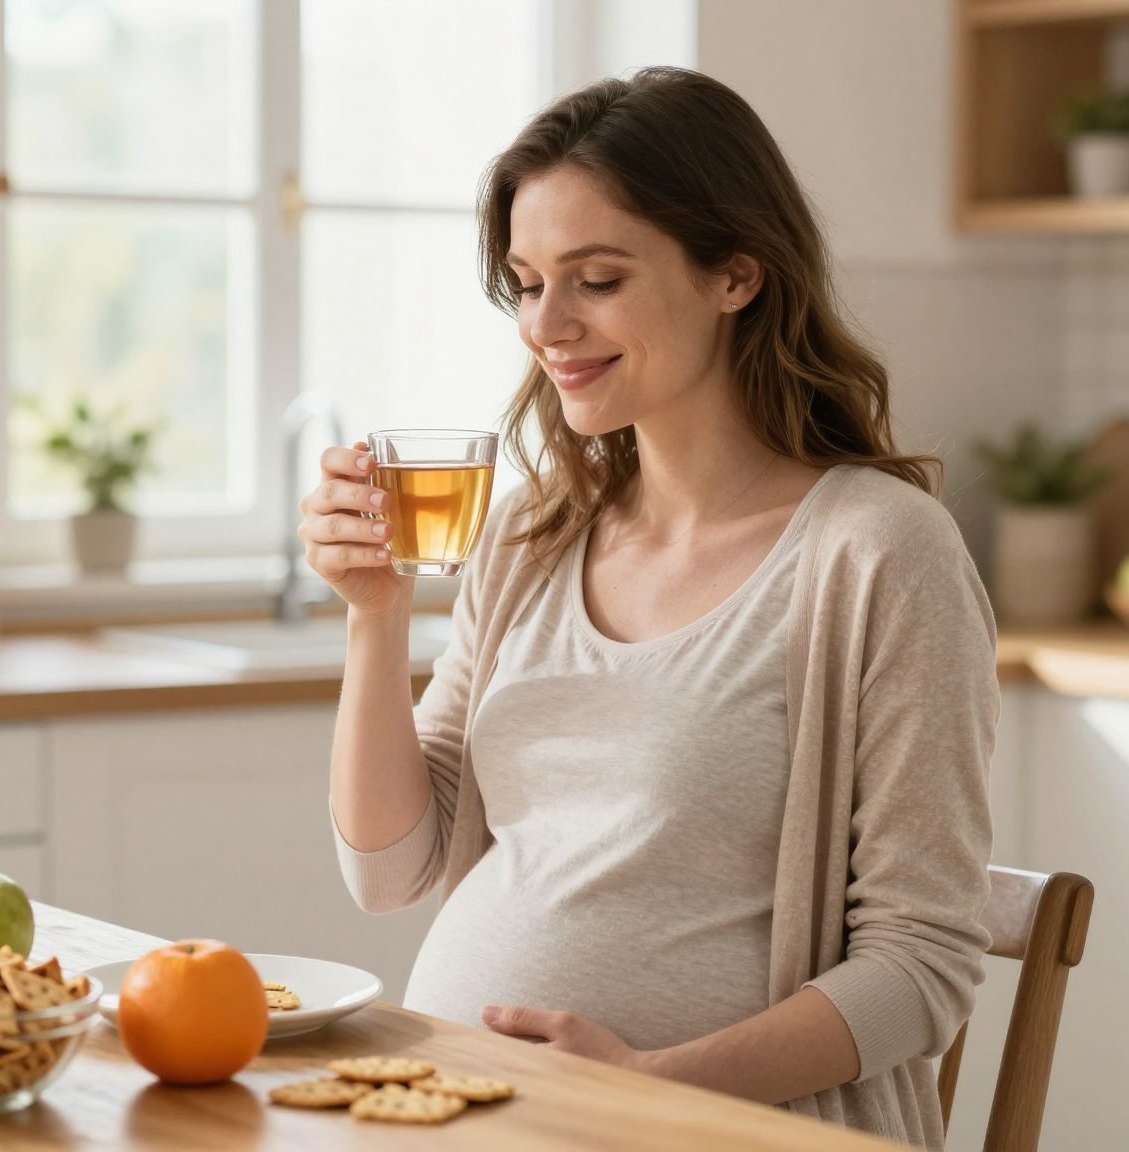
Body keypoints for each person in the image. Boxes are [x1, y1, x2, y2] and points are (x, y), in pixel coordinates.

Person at [298, 66, 997, 1149]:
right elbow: (389, 873)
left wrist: (647, 1085)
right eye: (527, 283)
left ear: (736, 274)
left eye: (597, 279)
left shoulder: (879, 553)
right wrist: (374, 617)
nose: (547, 324)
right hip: (467, 1117)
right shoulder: (532, 537)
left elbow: (923, 968)